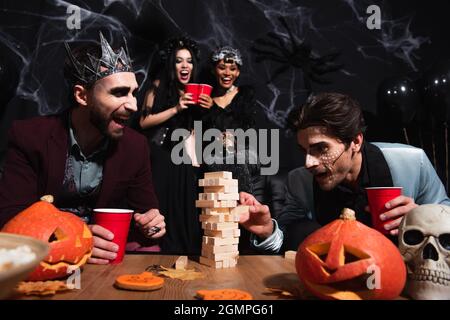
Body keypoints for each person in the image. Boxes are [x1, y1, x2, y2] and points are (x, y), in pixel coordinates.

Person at [0, 32, 166, 264]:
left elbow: (146, 214)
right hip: (48, 252)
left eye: (134, 93)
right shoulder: (31, 137)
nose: (133, 105)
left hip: (104, 255)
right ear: (82, 95)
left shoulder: (135, 146)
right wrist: (78, 238)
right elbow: (10, 219)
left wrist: (151, 224)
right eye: (119, 93)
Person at [238, 92, 450, 253]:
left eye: (321, 148)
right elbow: (286, 239)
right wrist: (267, 230)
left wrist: (422, 216)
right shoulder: (299, 181)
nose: (309, 162)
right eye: (305, 151)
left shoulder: (412, 163)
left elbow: (445, 214)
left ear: (355, 142)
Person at [139, 36, 212, 255]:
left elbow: (202, 130)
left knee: (191, 204)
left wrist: (209, 109)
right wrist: (177, 108)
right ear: (172, 63)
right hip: (164, 154)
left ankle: (190, 250)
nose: (184, 65)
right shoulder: (158, 86)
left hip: (190, 157)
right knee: (170, 205)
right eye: (179, 60)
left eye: (189, 61)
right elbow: (144, 121)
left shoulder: (197, 90)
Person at [201, 46, 260, 194]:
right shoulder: (207, 100)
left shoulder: (245, 94)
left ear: (238, 72)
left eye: (232, 69)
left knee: (237, 159)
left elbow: (247, 128)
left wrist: (213, 110)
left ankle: (247, 204)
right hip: (217, 154)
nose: (227, 73)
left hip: (245, 151)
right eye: (222, 68)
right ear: (214, 70)